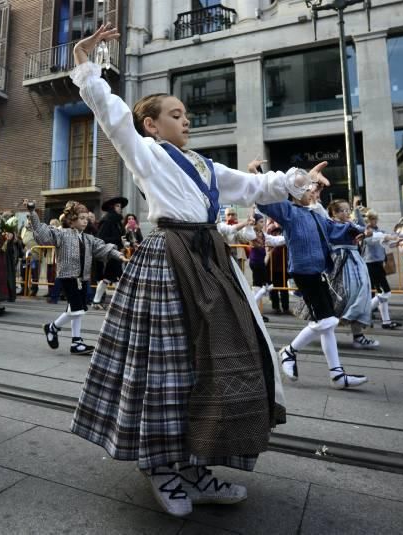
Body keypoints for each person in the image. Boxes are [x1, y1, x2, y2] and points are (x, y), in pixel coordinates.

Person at [67, 24, 329, 518]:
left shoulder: (207, 168)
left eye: (185, 114)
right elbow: (112, 114)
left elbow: (256, 187)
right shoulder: (145, 153)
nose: (185, 120)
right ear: (151, 125)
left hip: (208, 260)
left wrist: (296, 180)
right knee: (165, 367)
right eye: (175, 114)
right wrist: (89, 69)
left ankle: (193, 462)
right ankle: (161, 465)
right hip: (168, 259)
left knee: (211, 360)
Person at [257, 184, 370, 389]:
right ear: (296, 193)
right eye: (309, 190)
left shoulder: (317, 216)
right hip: (303, 273)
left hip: (318, 273)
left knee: (328, 326)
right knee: (328, 321)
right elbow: (266, 201)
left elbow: (337, 229)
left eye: (315, 191)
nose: (314, 194)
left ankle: (337, 375)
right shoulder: (289, 211)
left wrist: (358, 229)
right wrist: (261, 177)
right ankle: (289, 351)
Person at [28, 199, 127, 354]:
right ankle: (56, 330)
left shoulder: (87, 238)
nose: (85, 221)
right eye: (82, 218)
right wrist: (32, 212)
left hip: (82, 278)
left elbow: (102, 247)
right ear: (71, 220)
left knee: (75, 309)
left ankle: (72, 340)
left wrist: (119, 255)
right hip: (68, 277)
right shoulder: (61, 234)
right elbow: (42, 234)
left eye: (86, 219)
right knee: (77, 310)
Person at [321, 199, 389, 348]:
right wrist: (364, 231)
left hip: (355, 262)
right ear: (334, 213)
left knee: (361, 293)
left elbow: (364, 230)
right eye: (342, 210)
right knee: (339, 296)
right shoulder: (331, 224)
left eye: (347, 210)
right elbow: (354, 231)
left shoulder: (350, 225)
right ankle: (323, 332)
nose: (346, 213)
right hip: (339, 263)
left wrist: (374, 233)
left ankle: (358, 336)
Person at [362, 210, 402, 329]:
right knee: (386, 293)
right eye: (370, 219)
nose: (372, 221)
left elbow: (388, 244)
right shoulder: (367, 233)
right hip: (371, 264)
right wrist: (387, 237)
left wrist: (397, 241)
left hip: (378, 264)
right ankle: (362, 312)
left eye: (374, 218)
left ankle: (386, 321)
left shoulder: (379, 231)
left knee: (382, 293)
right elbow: (373, 241)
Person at [92, 196, 127, 310]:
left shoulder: (117, 221)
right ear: (112, 207)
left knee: (109, 278)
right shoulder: (107, 220)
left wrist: (125, 243)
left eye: (120, 206)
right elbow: (101, 238)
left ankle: (96, 301)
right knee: (116, 278)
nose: (120, 208)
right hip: (110, 253)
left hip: (115, 253)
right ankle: (120, 303)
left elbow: (120, 237)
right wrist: (118, 240)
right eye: (117, 206)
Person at [265, 220, 290, 314]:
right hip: (272, 269)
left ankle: (285, 307)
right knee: (273, 288)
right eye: (274, 233)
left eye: (278, 232)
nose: (277, 234)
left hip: (283, 269)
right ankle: (276, 307)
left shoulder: (284, 243)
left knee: (284, 288)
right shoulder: (270, 243)